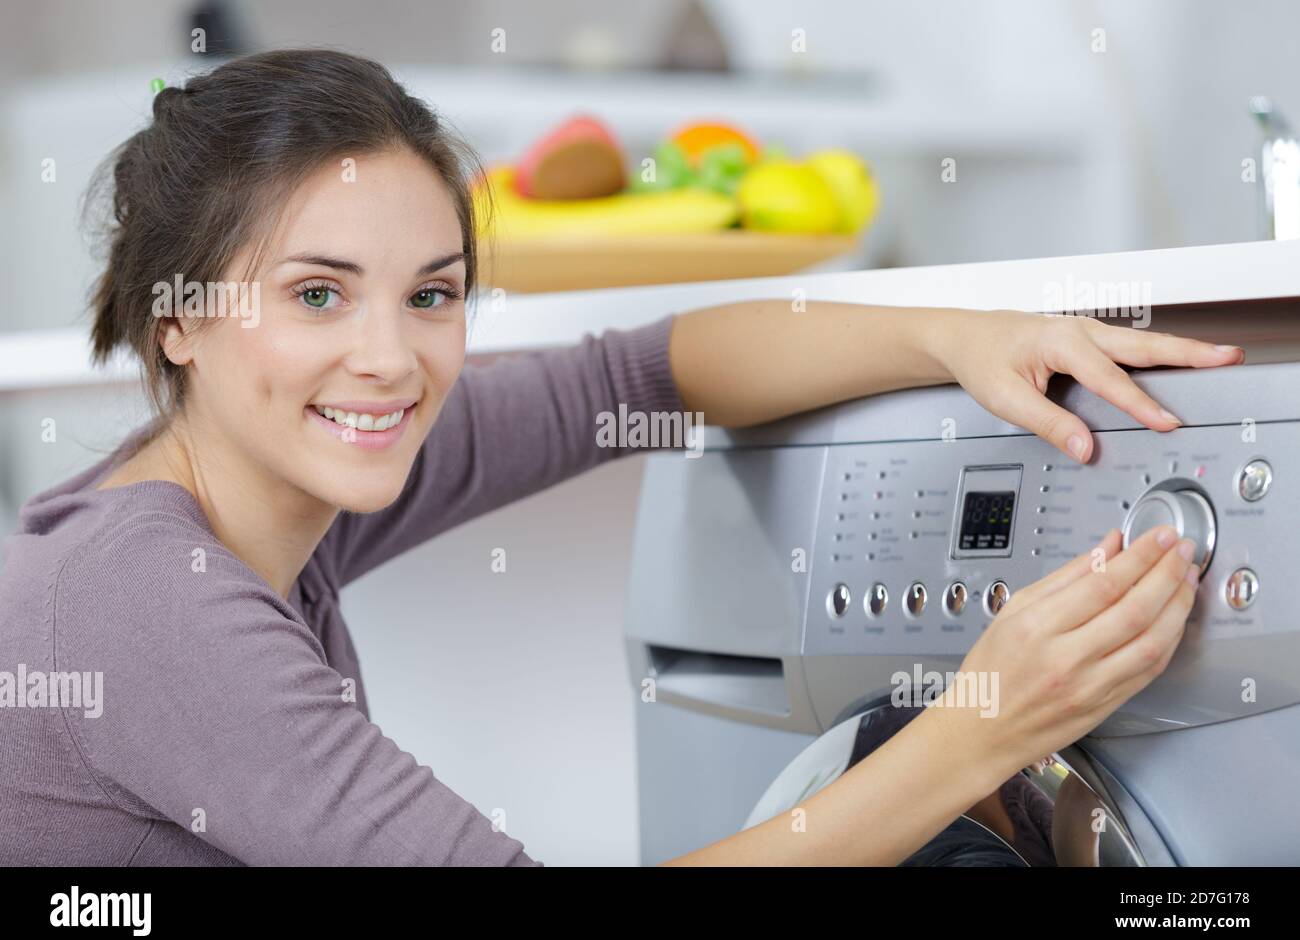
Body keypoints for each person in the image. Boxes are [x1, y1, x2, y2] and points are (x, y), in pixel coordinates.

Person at [0, 49, 1240, 866]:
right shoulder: (151, 596)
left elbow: (640, 374)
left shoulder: (280, 477)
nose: (388, 357)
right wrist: (979, 728)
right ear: (177, 319)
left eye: (431, 294)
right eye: (317, 295)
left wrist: (960, 335)